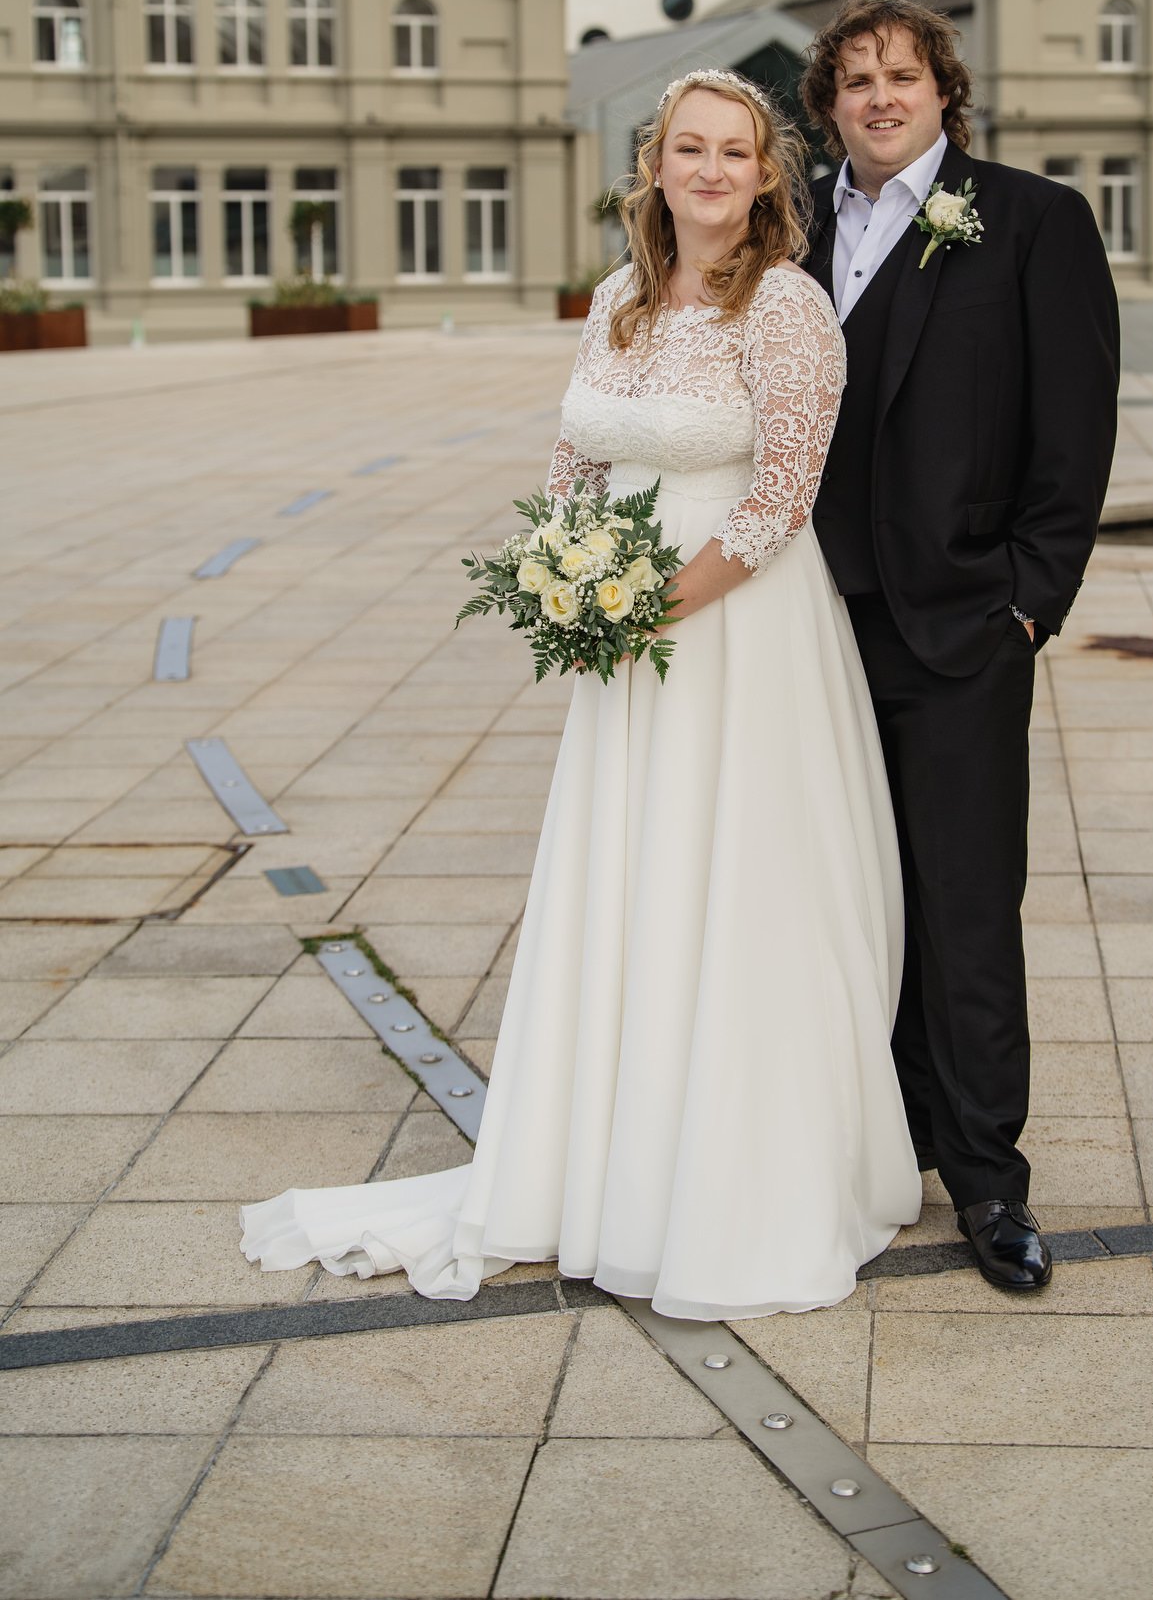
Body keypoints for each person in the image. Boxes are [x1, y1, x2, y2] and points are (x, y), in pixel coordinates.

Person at [240, 68, 921, 1319]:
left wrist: (646, 605)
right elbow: (572, 463)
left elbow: (781, 499)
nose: (711, 170)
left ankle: (730, 1175)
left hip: (739, 629)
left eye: (735, 152)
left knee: (734, 883)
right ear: (653, 165)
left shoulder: (785, 307)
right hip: (620, 642)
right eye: (688, 148)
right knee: (632, 877)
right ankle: (604, 1153)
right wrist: (569, 578)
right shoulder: (615, 297)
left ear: (768, 175)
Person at [801, 0, 1120, 1294]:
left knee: (970, 908)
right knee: (853, 903)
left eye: (904, 76)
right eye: (858, 78)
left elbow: (1075, 427)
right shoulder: (795, 228)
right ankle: (892, 1143)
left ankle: (990, 1177)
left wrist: (1030, 598)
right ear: (829, 100)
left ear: (946, 91)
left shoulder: (1034, 221)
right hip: (813, 633)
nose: (882, 96)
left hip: (963, 628)